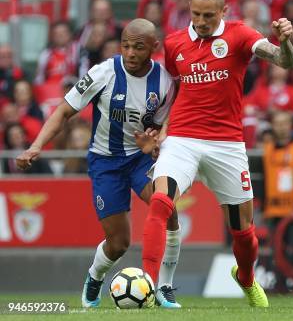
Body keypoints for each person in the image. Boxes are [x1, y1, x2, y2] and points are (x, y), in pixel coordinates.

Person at [140, 0, 293, 308]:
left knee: (244, 234)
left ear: (224, 10)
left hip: (226, 144)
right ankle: (149, 285)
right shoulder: (174, 44)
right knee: (160, 201)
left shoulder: (240, 34)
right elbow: (173, 89)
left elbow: (285, 62)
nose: (200, 21)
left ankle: (246, 277)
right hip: (182, 138)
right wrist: (158, 126)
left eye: (208, 15)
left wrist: (284, 43)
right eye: (195, 14)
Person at [15, 19, 182, 309]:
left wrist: (156, 143)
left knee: (168, 210)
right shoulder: (103, 72)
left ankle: (164, 287)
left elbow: (165, 125)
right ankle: (95, 277)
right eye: (126, 46)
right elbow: (64, 111)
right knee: (119, 243)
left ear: (153, 48)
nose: (130, 53)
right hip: (106, 162)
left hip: (141, 159)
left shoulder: (166, 82)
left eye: (138, 47)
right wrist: (36, 145)